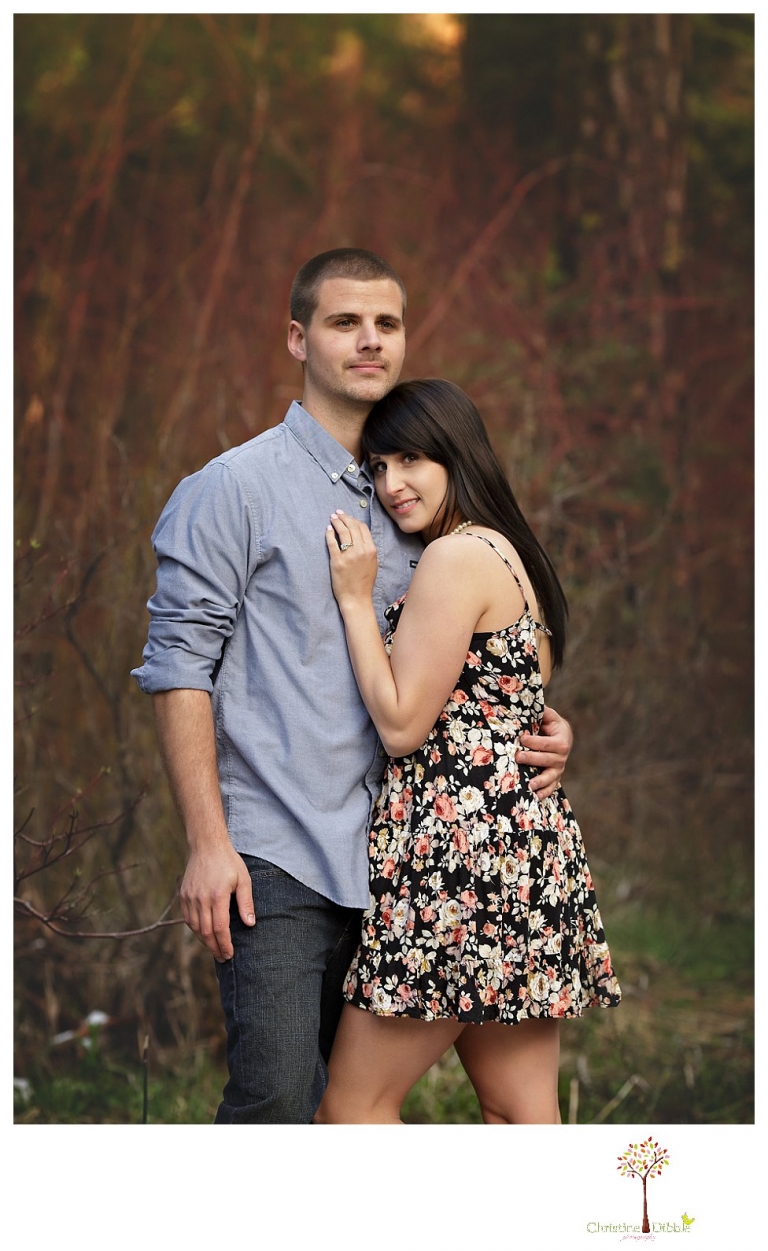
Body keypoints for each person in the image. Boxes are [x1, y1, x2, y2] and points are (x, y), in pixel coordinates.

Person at [131, 249, 574, 1124]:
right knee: (280, 1102)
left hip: (407, 860)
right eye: (344, 322)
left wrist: (540, 726)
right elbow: (180, 666)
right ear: (298, 338)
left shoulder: (420, 498)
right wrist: (207, 843)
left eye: (387, 323)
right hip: (281, 855)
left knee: (363, 1112)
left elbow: (474, 657)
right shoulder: (234, 488)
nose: (370, 340)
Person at [316, 378, 621, 1125]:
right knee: (518, 1114)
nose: (391, 484)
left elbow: (400, 725)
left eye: (411, 460)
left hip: (460, 869)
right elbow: (504, 702)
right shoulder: (512, 553)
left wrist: (356, 599)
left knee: (351, 1112)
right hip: (522, 857)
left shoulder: (455, 558)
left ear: (458, 456)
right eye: (378, 467)